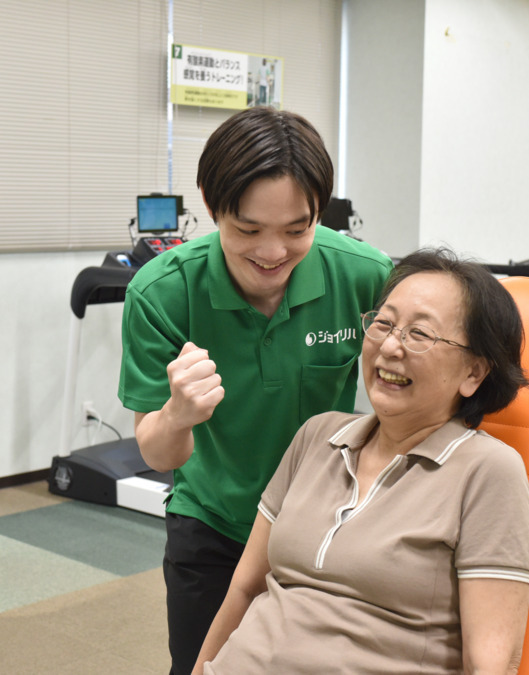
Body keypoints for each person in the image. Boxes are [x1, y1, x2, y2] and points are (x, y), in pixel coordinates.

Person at [117, 106, 392, 675]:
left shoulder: (365, 276)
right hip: (214, 523)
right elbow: (156, 452)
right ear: (210, 205)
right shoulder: (161, 293)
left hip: (326, 525)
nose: (273, 253)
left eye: (298, 230)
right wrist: (178, 414)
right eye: (248, 230)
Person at [194, 247, 529, 675]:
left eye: (420, 334)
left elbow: (491, 663)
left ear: (474, 373)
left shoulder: (488, 471)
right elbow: (245, 589)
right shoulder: (317, 436)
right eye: (383, 323)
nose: (390, 346)